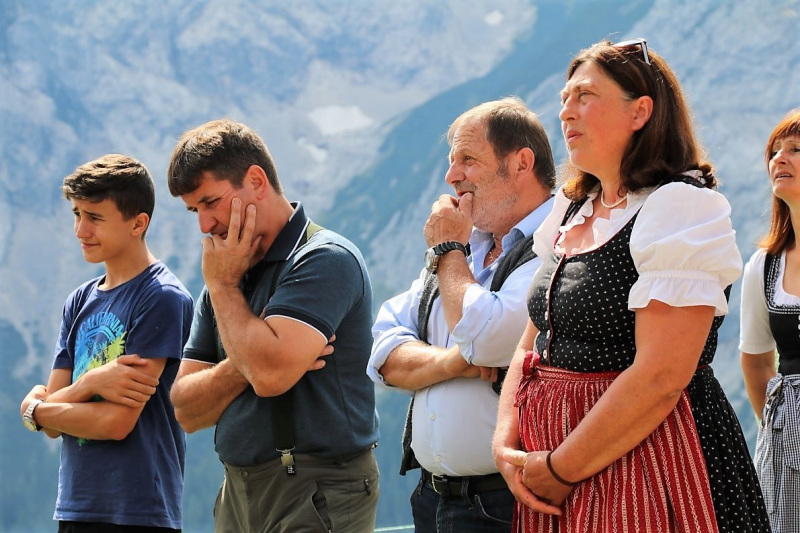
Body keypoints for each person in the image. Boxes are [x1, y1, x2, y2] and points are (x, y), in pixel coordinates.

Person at [492, 39, 771, 532]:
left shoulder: (678, 208)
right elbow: (531, 341)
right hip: (551, 470)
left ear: (640, 111)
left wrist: (561, 468)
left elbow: (661, 377)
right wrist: (505, 442)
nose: (565, 112)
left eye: (585, 96)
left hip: (648, 463)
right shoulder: (574, 207)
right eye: (564, 99)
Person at [166, 119, 379, 533]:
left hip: (318, 488)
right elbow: (186, 409)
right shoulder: (226, 277)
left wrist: (226, 291)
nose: (204, 225)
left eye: (211, 202)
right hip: (237, 492)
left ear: (257, 180)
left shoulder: (325, 258)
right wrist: (249, 355)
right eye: (195, 210)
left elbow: (269, 376)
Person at [369, 97, 556, 532]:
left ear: (521, 163)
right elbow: (382, 350)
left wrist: (448, 249)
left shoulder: (554, 244)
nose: (452, 176)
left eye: (468, 160)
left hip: (507, 503)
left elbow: (487, 338)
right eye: (452, 162)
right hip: (432, 499)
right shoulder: (468, 248)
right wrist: (458, 363)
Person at [18, 154, 194, 532]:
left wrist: (37, 408)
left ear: (138, 223)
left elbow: (116, 422)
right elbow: (52, 425)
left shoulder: (161, 297)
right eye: (77, 214)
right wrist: (92, 384)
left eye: (94, 218)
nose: (81, 230)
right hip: (75, 507)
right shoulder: (78, 301)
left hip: (138, 512)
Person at [740, 109, 800, 532]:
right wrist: (785, 426)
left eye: (796, 150)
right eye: (774, 152)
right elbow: (757, 362)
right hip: (786, 445)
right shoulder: (764, 267)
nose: (780, 158)